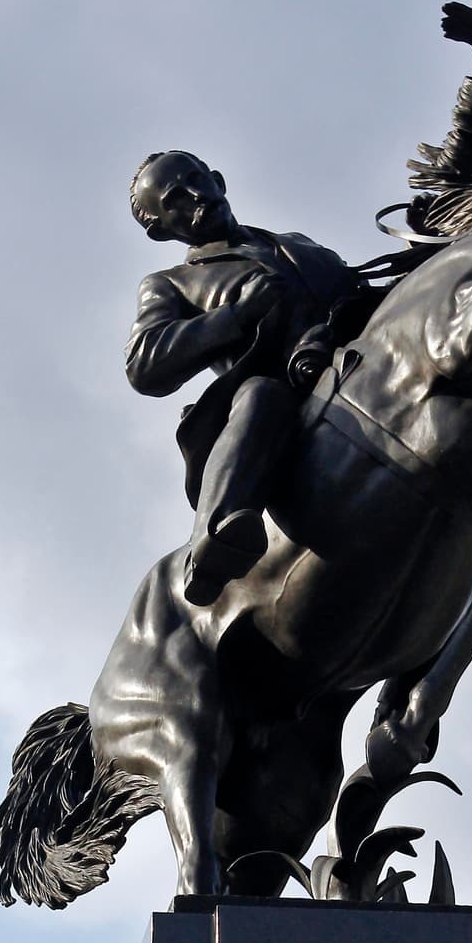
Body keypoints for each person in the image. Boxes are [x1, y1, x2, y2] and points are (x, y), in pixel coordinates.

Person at [126, 150, 357, 603]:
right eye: (175, 198)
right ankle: (215, 543)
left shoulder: (300, 245)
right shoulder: (171, 283)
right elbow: (143, 364)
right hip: (272, 399)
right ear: (159, 228)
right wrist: (237, 315)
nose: (197, 195)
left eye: (198, 179)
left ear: (218, 179)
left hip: (348, 366)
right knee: (261, 395)